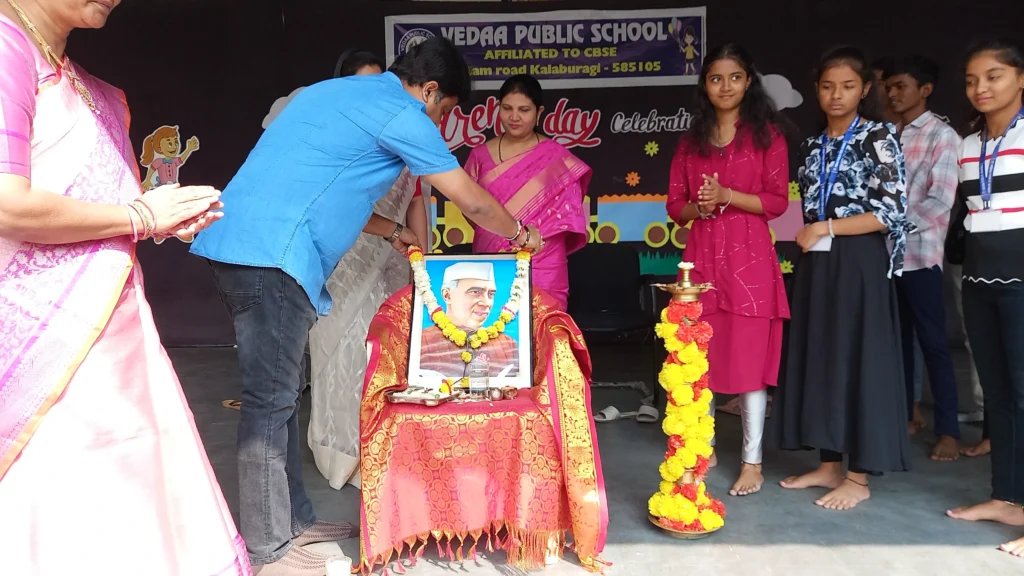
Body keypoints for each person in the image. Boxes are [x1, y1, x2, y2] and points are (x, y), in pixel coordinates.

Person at [190, 36, 543, 574]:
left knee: (280, 399)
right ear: (429, 91)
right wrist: (520, 231)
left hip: (244, 245)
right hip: (273, 256)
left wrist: (399, 232)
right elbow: (468, 198)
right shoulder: (400, 112)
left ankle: (296, 524)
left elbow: (333, 192)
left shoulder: (333, 94)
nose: (442, 122)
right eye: (445, 109)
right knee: (269, 403)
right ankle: (268, 550)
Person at [0, 1, 248, 574]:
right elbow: (9, 205)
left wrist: (158, 215)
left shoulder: (89, 88)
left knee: (128, 493)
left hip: (114, 342)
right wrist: (139, 216)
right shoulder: (9, 49)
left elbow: (102, 211)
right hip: (44, 342)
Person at [772, 46, 912, 511]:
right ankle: (829, 462)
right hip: (819, 260)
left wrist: (828, 228)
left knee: (859, 359)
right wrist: (818, 232)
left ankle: (858, 475)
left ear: (865, 90)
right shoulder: (813, 145)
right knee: (824, 356)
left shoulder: (878, 136)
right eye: (828, 86)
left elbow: (891, 212)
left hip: (858, 260)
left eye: (848, 86)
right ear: (816, 90)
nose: (837, 95)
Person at [665, 43, 790, 497]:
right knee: (700, 360)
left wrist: (727, 196)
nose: (725, 86)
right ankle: (704, 448)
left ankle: (752, 462)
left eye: (734, 77)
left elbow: (776, 202)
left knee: (750, 368)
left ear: (748, 82)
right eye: (715, 78)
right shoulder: (690, 140)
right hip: (701, 261)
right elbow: (674, 207)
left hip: (750, 261)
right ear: (704, 85)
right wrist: (697, 207)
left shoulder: (766, 136)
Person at [306, 50, 431, 490]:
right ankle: (346, 449)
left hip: (394, 259)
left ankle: (389, 447)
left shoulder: (405, 134)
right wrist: (394, 231)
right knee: (346, 353)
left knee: (388, 352)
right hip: (344, 258)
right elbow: (339, 206)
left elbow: (416, 197)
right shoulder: (334, 136)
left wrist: (425, 261)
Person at [944, 38, 1024, 559]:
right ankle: (1006, 498)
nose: (981, 88)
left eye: (993, 76)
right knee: (998, 397)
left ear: (1020, 79)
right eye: (972, 80)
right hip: (979, 281)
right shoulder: (969, 145)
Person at [884, 56, 963, 459]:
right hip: (884, 259)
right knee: (896, 343)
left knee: (933, 343)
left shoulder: (942, 135)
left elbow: (939, 201)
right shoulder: (884, 135)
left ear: (925, 90)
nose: (892, 93)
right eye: (890, 87)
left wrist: (889, 227)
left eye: (901, 86)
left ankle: (948, 430)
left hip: (919, 257)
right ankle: (905, 416)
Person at [464, 74, 589, 310]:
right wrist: (498, 235)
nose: (514, 117)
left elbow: (567, 216)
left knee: (544, 329)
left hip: (543, 260)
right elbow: (468, 206)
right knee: (491, 332)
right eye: (507, 108)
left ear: (539, 111)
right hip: (491, 257)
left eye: (524, 110)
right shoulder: (480, 155)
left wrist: (529, 238)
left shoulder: (557, 158)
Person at [418, 262, 519, 377]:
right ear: (447, 296)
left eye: (491, 294)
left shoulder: (506, 344)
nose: (486, 303)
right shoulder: (422, 341)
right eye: (475, 292)